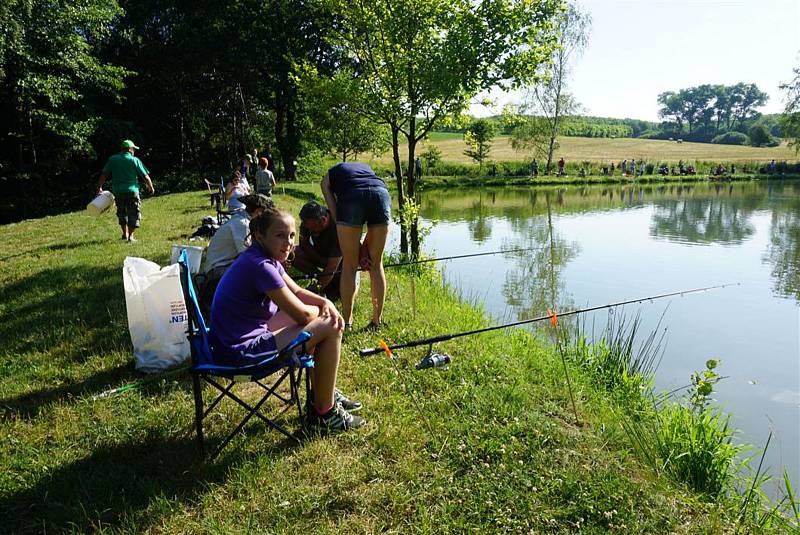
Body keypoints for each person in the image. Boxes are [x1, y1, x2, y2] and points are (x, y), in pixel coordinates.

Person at [209, 207, 365, 431]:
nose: (288, 242)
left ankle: (323, 393)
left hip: (234, 340)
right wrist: (321, 314)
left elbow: (298, 292)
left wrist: (325, 303)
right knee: (329, 326)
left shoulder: (263, 258)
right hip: (239, 352)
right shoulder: (261, 266)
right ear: (260, 236)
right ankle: (325, 413)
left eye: (292, 235)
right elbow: (301, 313)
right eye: (280, 235)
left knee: (320, 319)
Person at [321, 162, 390, 329]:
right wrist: (364, 249)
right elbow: (372, 234)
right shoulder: (368, 170)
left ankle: (347, 322)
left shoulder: (331, 174)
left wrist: (338, 220)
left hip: (352, 196)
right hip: (381, 193)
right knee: (377, 263)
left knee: (350, 266)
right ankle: (376, 321)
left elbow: (326, 189)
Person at [199, 194, 273, 317]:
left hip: (221, 267)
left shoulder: (242, 220)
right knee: (256, 272)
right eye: (266, 213)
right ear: (259, 211)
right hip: (217, 272)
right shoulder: (242, 224)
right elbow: (248, 257)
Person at [96, 139, 155, 243]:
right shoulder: (134, 160)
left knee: (122, 212)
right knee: (134, 213)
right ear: (129, 149)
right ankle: (130, 236)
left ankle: (124, 233)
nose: (134, 151)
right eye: (133, 149)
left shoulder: (113, 159)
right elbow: (145, 176)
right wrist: (151, 187)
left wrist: (99, 187)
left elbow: (104, 174)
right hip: (132, 191)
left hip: (118, 192)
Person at [292, 201, 343, 300]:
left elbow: (332, 265)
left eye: (313, 228)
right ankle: (323, 279)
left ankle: (328, 283)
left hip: (341, 262)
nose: (310, 231)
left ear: (323, 220)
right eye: (308, 228)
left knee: (340, 292)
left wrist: (315, 290)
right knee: (293, 253)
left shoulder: (338, 228)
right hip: (320, 256)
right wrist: (319, 259)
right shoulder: (308, 223)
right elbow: (304, 245)